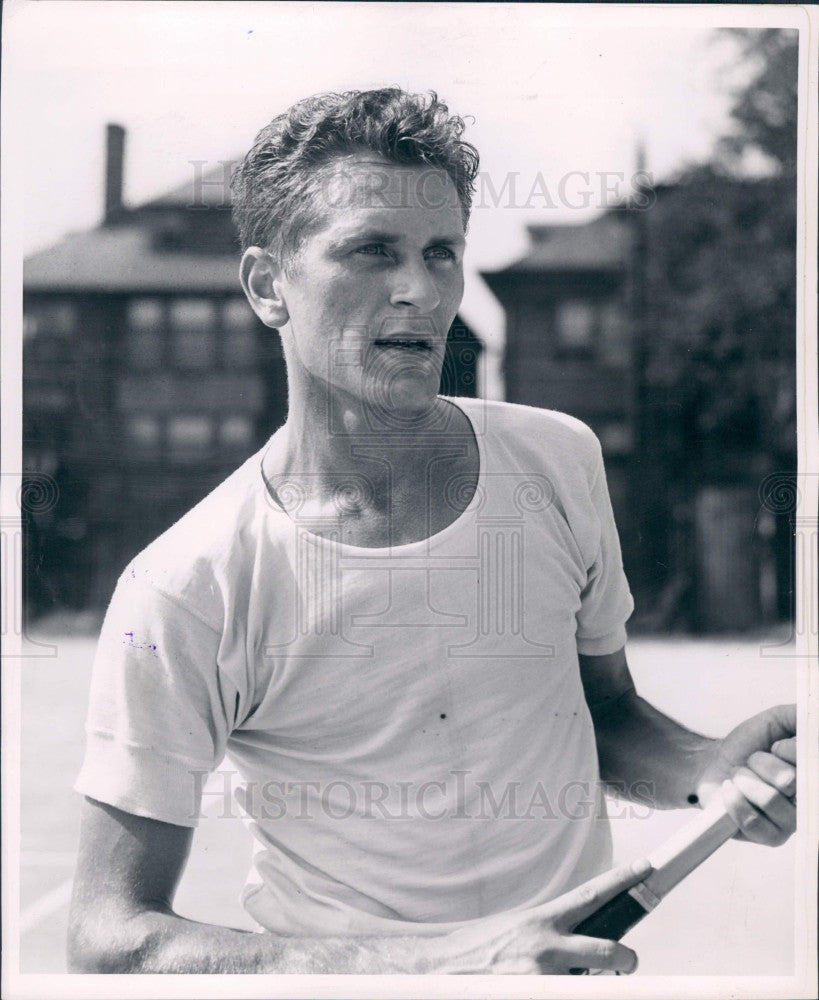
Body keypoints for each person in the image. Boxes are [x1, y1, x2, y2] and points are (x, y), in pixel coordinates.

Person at [67, 88, 796, 975]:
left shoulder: (557, 459)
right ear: (268, 287)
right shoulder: (186, 584)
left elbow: (600, 711)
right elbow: (111, 937)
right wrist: (442, 963)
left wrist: (708, 767)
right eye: (371, 251)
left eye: (440, 253)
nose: (419, 290)